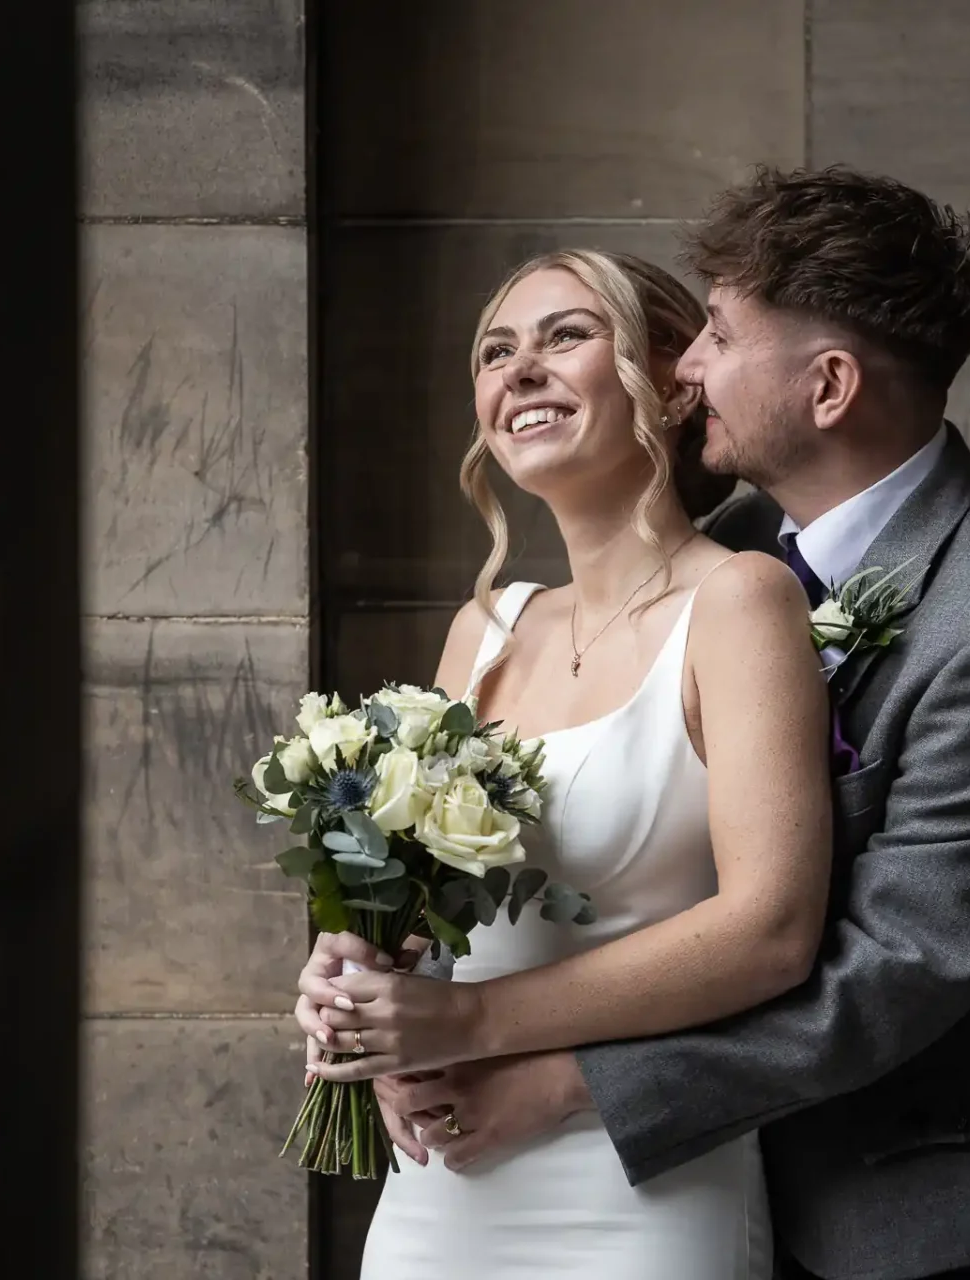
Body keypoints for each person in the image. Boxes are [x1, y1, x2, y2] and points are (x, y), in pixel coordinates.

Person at [303, 168, 970, 1280]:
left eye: (716, 334)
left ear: (830, 385)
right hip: (707, 1174)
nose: (688, 366)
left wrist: (550, 1071)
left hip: (937, 1226)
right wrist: (372, 969)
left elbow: (887, 967)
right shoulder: (738, 546)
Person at [319, 246, 832, 1279]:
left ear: (672, 379)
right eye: (496, 350)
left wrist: (463, 1018)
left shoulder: (740, 602)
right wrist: (358, 979)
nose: (520, 370)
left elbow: (770, 931)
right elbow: (418, 908)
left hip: (636, 1182)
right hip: (441, 1188)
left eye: (567, 334)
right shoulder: (486, 629)